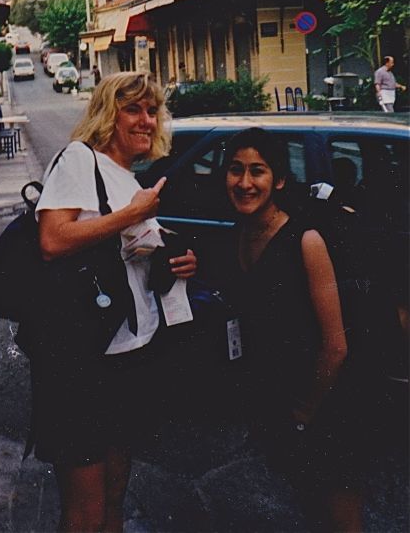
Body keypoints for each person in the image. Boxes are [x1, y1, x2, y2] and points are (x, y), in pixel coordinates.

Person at [34, 71, 197, 532]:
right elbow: (52, 239)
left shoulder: (126, 177)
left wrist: (178, 261)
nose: (146, 120)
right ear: (109, 114)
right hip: (82, 359)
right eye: (133, 109)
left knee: (115, 491)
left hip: (128, 354)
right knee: (85, 508)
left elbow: (127, 257)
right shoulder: (77, 160)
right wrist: (132, 214)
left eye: (152, 110)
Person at [219, 127, 361, 532]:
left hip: (327, 403)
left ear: (278, 180)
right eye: (235, 170)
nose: (244, 183)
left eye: (257, 171)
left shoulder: (306, 240)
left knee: (341, 514)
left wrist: (304, 413)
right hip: (282, 405)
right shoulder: (241, 235)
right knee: (309, 505)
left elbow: (336, 346)